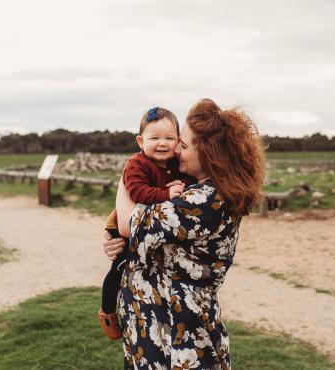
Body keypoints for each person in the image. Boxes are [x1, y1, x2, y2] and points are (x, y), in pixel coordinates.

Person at [103, 98, 265, 369]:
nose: (176, 149)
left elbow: (129, 223)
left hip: (178, 334)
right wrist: (117, 243)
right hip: (154, 324)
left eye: (184, 144)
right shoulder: (192, 192)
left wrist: (130, 170)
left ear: (209, 154)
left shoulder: (206, 201)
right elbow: (136, 233)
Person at [98, 106, 194, 340]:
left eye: (169, 138)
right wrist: (167, 194)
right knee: (119, 265)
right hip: (121, 223)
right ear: (141, 141)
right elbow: (138, 192)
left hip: (145, 221)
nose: (162, 143)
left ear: (178, 141)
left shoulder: (174, 164)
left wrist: (180, 187)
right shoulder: (136, 164)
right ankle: (108, 311)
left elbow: (184, 182)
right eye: (155, 138)